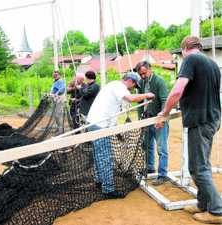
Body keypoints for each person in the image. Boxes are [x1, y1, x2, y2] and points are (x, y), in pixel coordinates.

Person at [156, 36, 222, 224]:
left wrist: (165, 112)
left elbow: (177, 90)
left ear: (184, 47)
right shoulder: (212, 64)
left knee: (197, 168)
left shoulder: (191, 60)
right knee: (203, 164)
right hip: (212, 118)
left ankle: (217, 211)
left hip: (200, 121)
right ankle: (203, 203)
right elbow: (199, 91)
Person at [87, 72, 155, 198]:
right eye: (134, 86)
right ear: (130, 81)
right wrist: (147, 95)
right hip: (100, 125)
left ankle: (99, 180)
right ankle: (108, 189)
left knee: (98, 155)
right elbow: (132, 99)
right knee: (105, 156)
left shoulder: (113, 86)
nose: (133, 89)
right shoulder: (119, 86)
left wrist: (115, 130)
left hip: (95, 123)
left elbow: (112, 110)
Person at [136, 61, 169, 186]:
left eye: (144, 73)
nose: (143, 76)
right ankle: (150, 168)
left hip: (158, 119)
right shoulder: (141, 82)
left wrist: (162, 118)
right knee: (147, 146)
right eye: (140, 74)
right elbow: (139, 102)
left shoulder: (159, 81)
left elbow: (165, 100)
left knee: (161, 148)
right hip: (146, 119)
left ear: (150, 69)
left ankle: (162, 174)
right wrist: (140, 119)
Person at [50, 70, 66, 135]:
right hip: (54, 100)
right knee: (55, 115)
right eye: (54, 75)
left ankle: (60, 130)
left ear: (59, 75)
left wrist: (56, 94)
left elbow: (62, 90)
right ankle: (58, 128)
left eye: (56, 75)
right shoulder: (55, 82)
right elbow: (53, 90)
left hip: (59, 100)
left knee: (58, 115)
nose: (55, 76)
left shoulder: (61, 81)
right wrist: (50, 94)